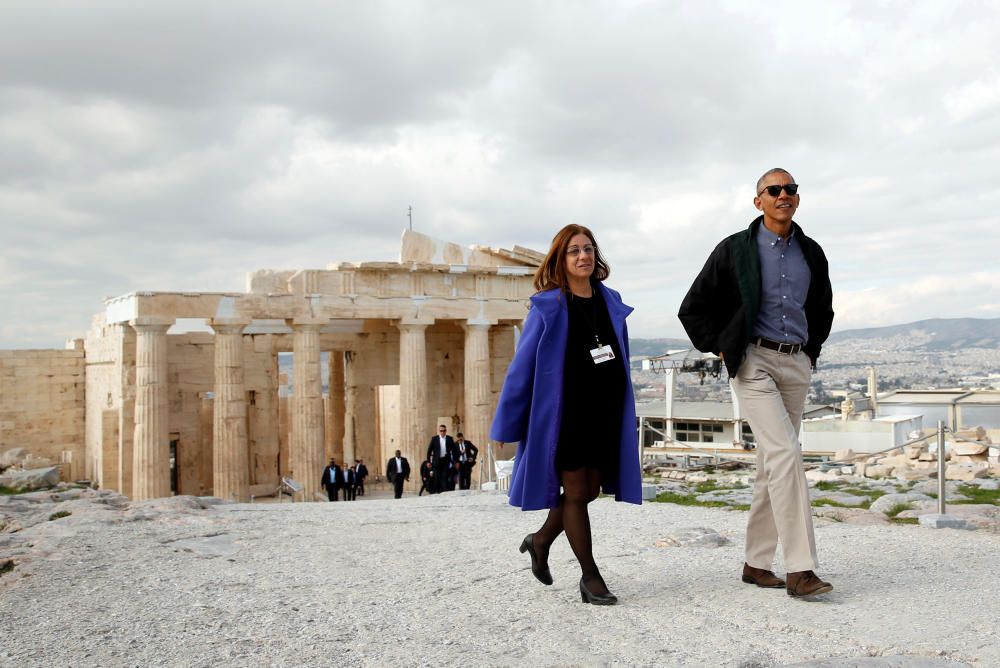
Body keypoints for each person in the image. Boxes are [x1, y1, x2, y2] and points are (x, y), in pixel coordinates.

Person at [678, 168, 835, 598]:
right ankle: (801, 568)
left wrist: (810, 350)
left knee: (773, 464)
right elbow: (691, 308)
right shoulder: (734, 250)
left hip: (795, 363)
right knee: (786, 453)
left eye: (791, 189)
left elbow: (822, 307)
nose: (784, 195)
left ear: (797, 199)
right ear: (759, 201)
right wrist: (724, 346)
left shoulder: (811, 252)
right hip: (754, 361)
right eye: (775, 190)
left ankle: (755, 562)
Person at [490, 224, 641, 606]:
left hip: (604, 413)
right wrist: (506, 423)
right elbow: (520, 369)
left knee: (589, 490)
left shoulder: (612, 301)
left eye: (588, 249)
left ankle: (539, 542)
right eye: (574, 250)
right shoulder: (548, 306)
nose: (583, 256)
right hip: (566, 415)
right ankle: (591, 577)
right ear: (561, 259)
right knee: (575, 491)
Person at [426, 425, 455, 493]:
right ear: (439, 431)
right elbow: (429, 450)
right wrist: (428, 461)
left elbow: (454, 450)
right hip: (437, 461)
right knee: (437, 477)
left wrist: (455, 461)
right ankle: (437, 491)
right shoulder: (434, 439)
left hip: (445, 460)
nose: (442, 432)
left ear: (446, 431)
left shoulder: (449, 438)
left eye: (444, 431)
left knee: (444, 477)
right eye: (441, 431)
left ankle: (444, 491)